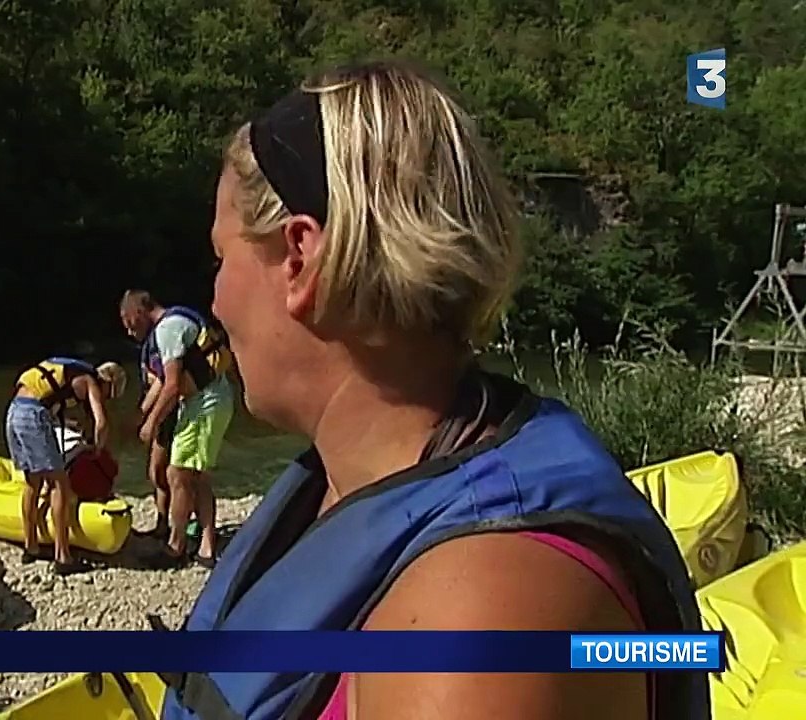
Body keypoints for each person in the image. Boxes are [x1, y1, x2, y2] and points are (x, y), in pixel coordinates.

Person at [155, 61, 707, 720]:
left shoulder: (479, 620)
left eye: (223, 259)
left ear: (299, 260)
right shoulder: (347, 483)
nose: (215, 298)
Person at [120, 290, 236, 568]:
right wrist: (141, 414)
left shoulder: (168, 330)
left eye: (128, 319)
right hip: (213, 399)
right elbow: (167, 382)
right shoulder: (178, 320)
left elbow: (171, 385)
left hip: (204, 404)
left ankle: (176, 547)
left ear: (140, 310)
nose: (128, 327)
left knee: (177, 474)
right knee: (197, 476)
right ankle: (206, 547)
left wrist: (151, 423)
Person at [7, 357, 126, 575]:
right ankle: (63, 557)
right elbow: (101, 423)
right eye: (111, 393)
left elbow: (46, 399)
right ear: (108, 382)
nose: (107, 397)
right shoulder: (90, 381)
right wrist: (97, 450)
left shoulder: (69, 373)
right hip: (34, 415)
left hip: (14, 412)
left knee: (32, 482)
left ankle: (31, 546)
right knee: (59, 483)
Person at [135, 328, 178, 538]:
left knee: (160, 471)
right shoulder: (150, 344)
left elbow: (163, 381)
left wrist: (144, 412)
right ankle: (162, 523)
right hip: (161, 414)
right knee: (156, 472)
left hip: (167, 414)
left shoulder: (160, 344)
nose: (129, 330)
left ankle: (170, 523)